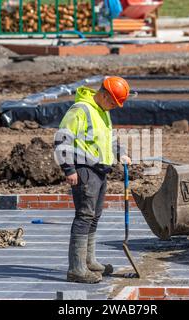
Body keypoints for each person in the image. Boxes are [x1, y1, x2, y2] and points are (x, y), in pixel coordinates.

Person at [54, 76, 132, 284]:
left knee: (94, 215)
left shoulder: (103, 112)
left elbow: (110, 138)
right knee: (84, 216)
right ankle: (76, 269)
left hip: (100, 171)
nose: (114, 107)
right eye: (113, 102)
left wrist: (120, 153)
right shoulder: (81, 110)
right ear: (104, 95)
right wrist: (69, 169)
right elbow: (62, 139)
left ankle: (89, 261)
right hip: (84, 170)